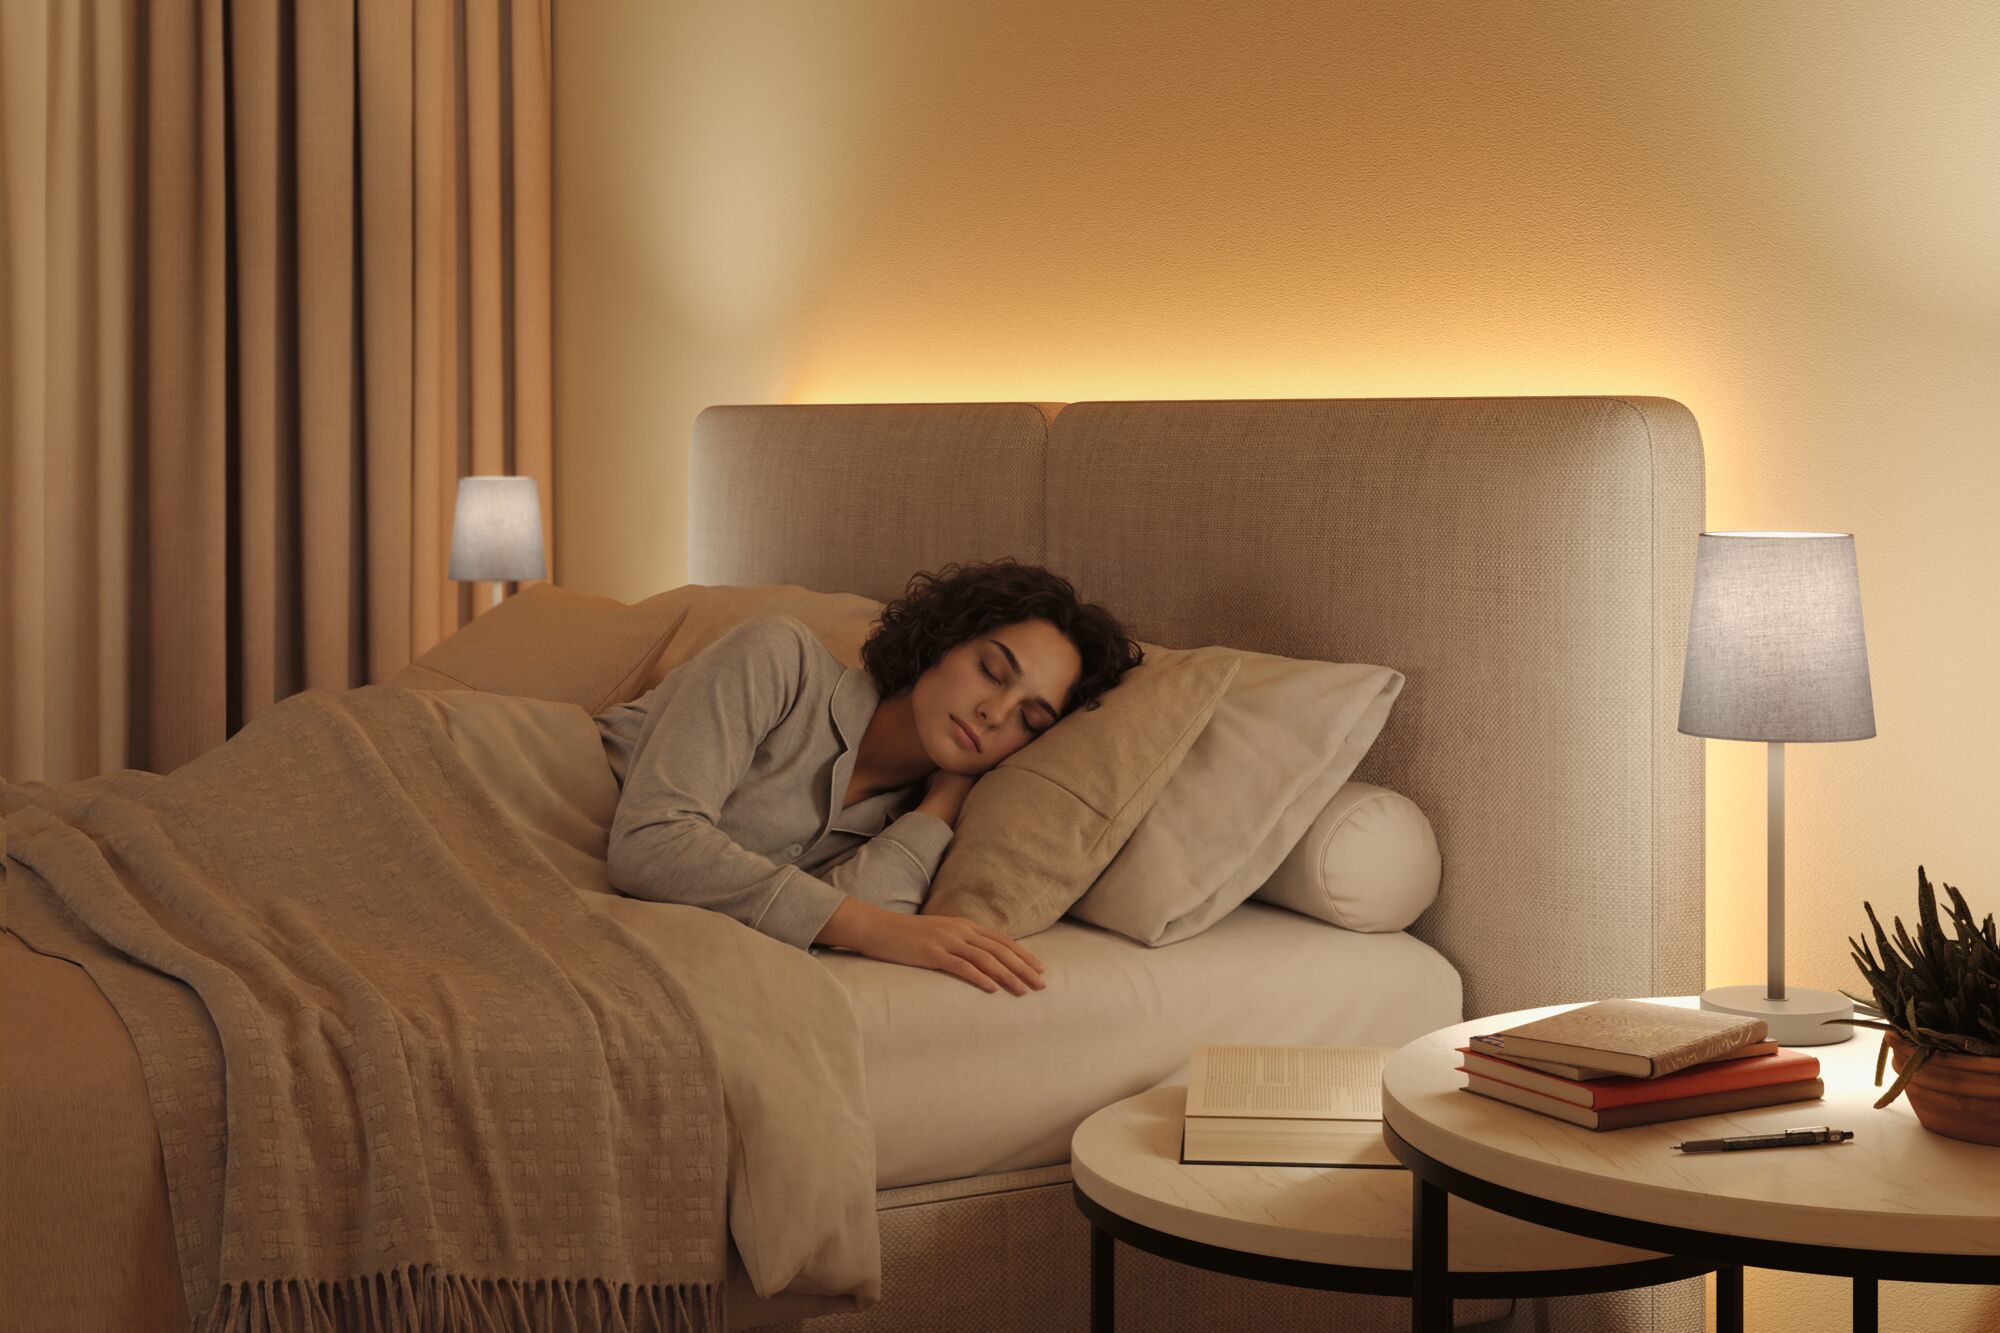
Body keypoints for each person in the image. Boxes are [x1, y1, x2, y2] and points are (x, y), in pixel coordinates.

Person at [595, 558, 1144, 995]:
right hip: (548, 797)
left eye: (1029, 719)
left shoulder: (913, 827)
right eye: (991, 671)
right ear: (943, 640)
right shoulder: (779, 658)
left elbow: (837, 931)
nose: (995, 714)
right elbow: (650, 841)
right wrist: (882, 931)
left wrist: (942, 804)